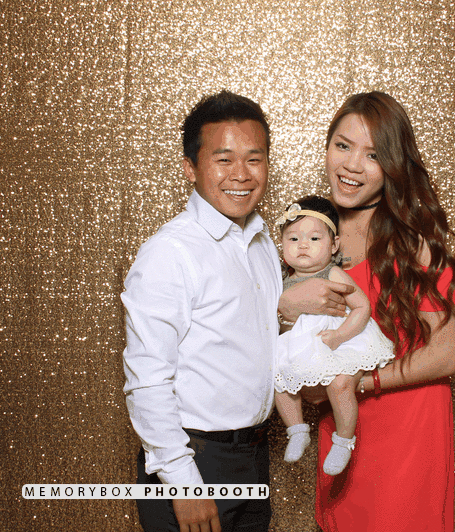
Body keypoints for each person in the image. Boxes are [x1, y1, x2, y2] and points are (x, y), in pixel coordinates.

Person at [277, 92, 455, 531]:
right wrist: (283, 307)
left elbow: (448, 354)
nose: (352, 165)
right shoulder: (308, 238)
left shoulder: (412, 242)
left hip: (408, 432)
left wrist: (359, 382)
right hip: (343, 430)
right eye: (343, 146)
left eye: (373, 155)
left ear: (393, 166)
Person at [122, 91, 282, 532]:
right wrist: (183, 483)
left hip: (254, 455)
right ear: (191, 168)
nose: (241, 175)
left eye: (254, 159)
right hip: (194, 461)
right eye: (223, 160)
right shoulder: (169, 253)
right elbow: (147, 379)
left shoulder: (262, 242)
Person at [272, 196, 394, 476]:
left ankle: (343, 440)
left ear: (334, 245)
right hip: (303, 344)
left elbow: (362, 307)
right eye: (293, 239)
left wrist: (340, 335)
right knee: (278, 380)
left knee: (340, 385)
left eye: (314, 238)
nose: (303, 245)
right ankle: (296, 430)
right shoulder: (281, 280)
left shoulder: (333, 273)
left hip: (342, 341)